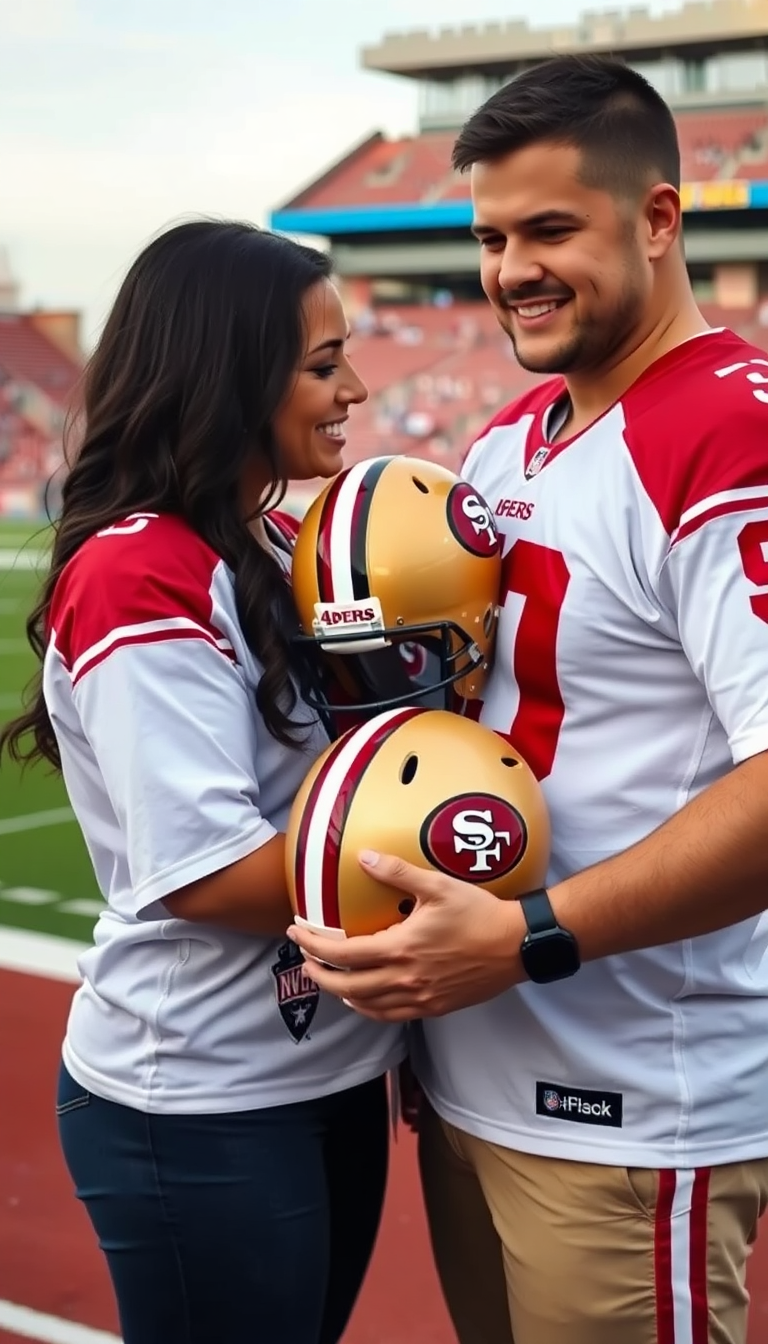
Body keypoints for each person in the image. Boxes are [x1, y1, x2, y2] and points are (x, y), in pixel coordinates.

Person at [288, 55, 768, 1344]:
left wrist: (531, 934)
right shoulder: (513, 439)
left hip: (627, 1094)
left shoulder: (729, 433)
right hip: (477, 1072)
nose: (512, 269)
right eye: (492, 237)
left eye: (551, 228)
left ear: (659, 221)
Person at [0, 220, 405, 1344]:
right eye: (323, 365)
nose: (356, 389)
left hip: (320, 1067)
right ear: (227, 372)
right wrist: (437, 851)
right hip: (203, 1094)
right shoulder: (142, 568)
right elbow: (209, 873)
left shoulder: (268, 542)